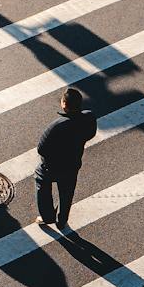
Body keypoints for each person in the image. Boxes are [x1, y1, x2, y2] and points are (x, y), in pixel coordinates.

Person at [32, 86, 99, 229]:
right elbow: (90, 134)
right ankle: (62, 220)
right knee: (67, 192)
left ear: (64, 105)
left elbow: (41, 149)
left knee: (41, 182)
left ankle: (47, 216)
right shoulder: (89, 117)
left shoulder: (56, 126)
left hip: (52, 166)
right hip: (72, 164)